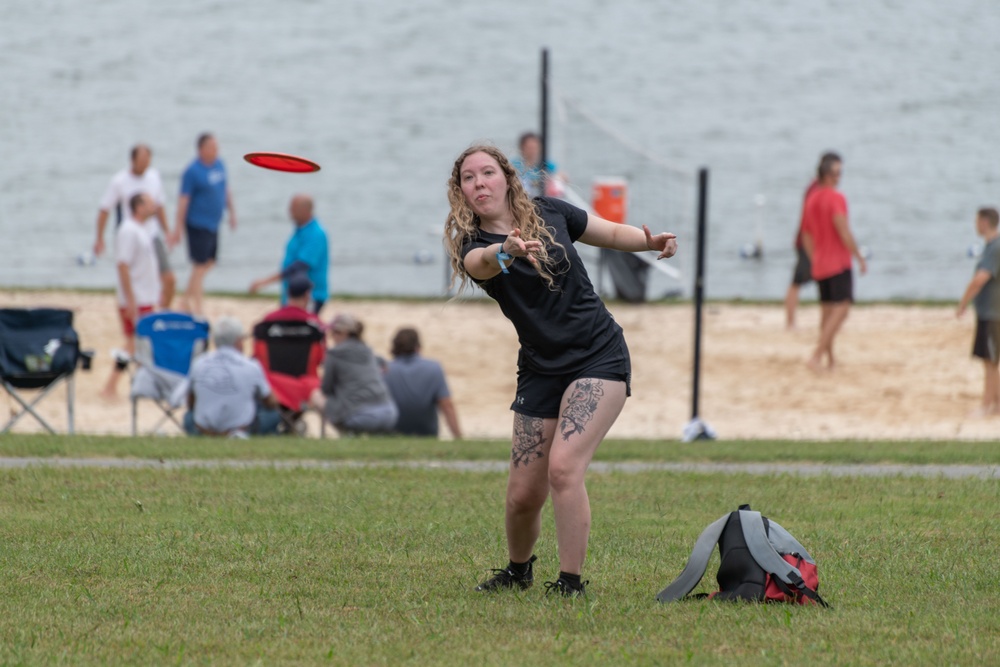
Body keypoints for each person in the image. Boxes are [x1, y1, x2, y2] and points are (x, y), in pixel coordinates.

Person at [443, 144, 677, 597]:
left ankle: (570, 582)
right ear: (461, 192)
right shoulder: (474, 246)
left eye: (486, 173)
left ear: (506, 178)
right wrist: (505, 250)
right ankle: (517, 571)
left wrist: (648, 242)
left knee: (564, 469)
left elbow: (606, 233)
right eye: (468, 179)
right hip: (540, 368)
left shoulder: (550, 211)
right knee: (522, 495)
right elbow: (482, 264)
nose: (479, 184)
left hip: (599, 355)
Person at [800, 152, 866, 372]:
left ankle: (830, 359)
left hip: (820, 262)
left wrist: (814, 256)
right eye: (837, 173)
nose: (840, 177)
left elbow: (806, 234)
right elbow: (842, 228)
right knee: (842, 308)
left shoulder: (812, 199)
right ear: (828, 174)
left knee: (827, 313)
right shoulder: (835, 198)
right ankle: (817, 355)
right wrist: (858, 255)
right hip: (837, 262)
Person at [93, 144, 176, 308]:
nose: (146, 163)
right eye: (143, 159)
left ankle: (162, 311)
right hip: (130, 235)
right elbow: (105, 209)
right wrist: (99, 238)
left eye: (148, 159)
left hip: (151, 234)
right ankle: (131, 306)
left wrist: (167, 231)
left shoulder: (154, 176)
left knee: (168, 279)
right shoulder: (120, 181)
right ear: (133, 160)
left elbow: (159, 206)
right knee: (133, 276)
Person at [100, 193, 161, 399]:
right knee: (134, 342)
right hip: (136, 298)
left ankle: (139, 386)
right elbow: (122, 265)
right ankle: (110, 385)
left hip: (145, 296)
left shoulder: (142, 230)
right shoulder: (128, 230)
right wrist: (131, 299)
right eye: (150, 203)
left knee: (140, 344)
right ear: (139, 206)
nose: (154, 206)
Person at [183, 316, 280, 437]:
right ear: (238, 340)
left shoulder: (199, 363)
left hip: (203, 430)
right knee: (273, 415)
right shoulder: (251, 366)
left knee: (188, 417)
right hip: (242, 428)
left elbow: (190, 401)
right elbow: (270, 402)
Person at [173, 133, 236, 316]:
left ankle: (184, 300)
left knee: (209, 262)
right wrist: (178, 228)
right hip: (197, 223)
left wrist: (232, 212)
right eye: (212, 147)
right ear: (201, 149)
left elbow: (226, 190)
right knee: (199, 265)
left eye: (217, 147)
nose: (216, 151)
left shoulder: (220, 165)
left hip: (214, 223)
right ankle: (198, 307)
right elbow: (183, 200)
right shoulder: (192, 171)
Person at [310, 313, 398, 435]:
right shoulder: (368, 351)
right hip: (389, 413)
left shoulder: (334, 354)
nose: (331, 337)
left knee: (316, 395)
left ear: (344, 333)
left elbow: (326, 388)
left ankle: (344, 436)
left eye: (334, 333)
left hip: (360, 417)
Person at [249, 194, 330, 314]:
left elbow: (300, 266)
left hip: (309, 296)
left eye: (293, 209)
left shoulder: (316, 233)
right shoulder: (300, 230)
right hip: (291, 293)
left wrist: (265, 282)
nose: (290, 212)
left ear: (305, 210)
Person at [956, 208, 1000, 417]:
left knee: (990, 361)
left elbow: (980, 279)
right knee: (989, 359)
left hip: (993, 313)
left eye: (977, 221)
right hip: (990, 311)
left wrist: (963, 302)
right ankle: (996, 403)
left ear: (984, 222)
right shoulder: (992, 246)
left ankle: (987, 404)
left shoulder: (994, 248)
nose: (975, 225)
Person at [384, 327, 462, 439]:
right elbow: (446, 405)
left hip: (394, 432)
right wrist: (458, 436)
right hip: (427, 432)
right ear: (418, 347)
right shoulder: (434, 368)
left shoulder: (385, 370)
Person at [783, 164, 827, 329]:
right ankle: (790, 322)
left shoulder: (815, 189)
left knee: (816, 281)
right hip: (807, 243)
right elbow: (811, 221)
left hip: (811, 242)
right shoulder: (815, 190)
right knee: (797, 281)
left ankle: (793, 321)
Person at [511, 132, 565, 198]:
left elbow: (561, 175)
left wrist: (558, 178)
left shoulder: (546, 163)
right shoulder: (515, 163)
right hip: (522, 196)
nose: (532, 151)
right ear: (522, 148)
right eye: (529, 147)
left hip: (543, 196)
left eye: (535, 147)